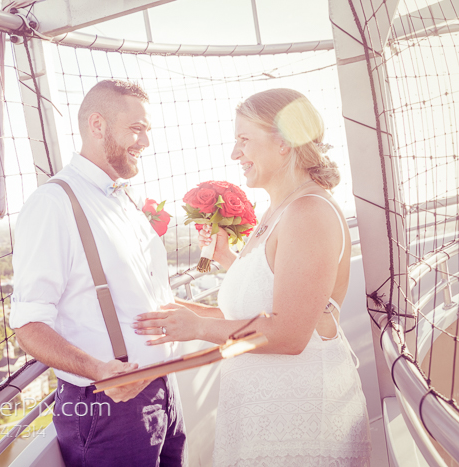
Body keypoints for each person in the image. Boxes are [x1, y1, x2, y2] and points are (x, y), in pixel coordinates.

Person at [133, 88, 371, 466]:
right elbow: (259, 302)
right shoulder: (280, 209)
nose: (234, 154)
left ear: (284, 143)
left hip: (301, 418)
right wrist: (179, 305)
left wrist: (195, 326)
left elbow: (290, 333)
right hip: (267, 412)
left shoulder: (308, 212)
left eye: (244, 140)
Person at [10, 79, 187, 466]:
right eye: (136, 129)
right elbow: (28, 324)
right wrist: (99, 370)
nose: (145, 142)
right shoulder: (53, 204)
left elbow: (144, 295)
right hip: (108, 409)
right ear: (97, 125)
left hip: (164, 392)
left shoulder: (124, 198)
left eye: (147, 130)